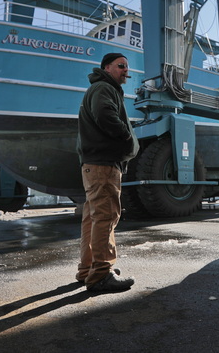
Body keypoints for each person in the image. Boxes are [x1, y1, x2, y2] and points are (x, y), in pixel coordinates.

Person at [76, 52, 139, 293]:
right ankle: (101, 274)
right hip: (103, 164)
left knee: (92, 218)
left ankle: (88, 269)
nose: (126, 70)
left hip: (94, 163)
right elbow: (105, 114)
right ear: (107, 67)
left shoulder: (99, 88)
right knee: (106, 216)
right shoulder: (104, 88)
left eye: (126, 67)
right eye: (121, 66)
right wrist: (126, 135)